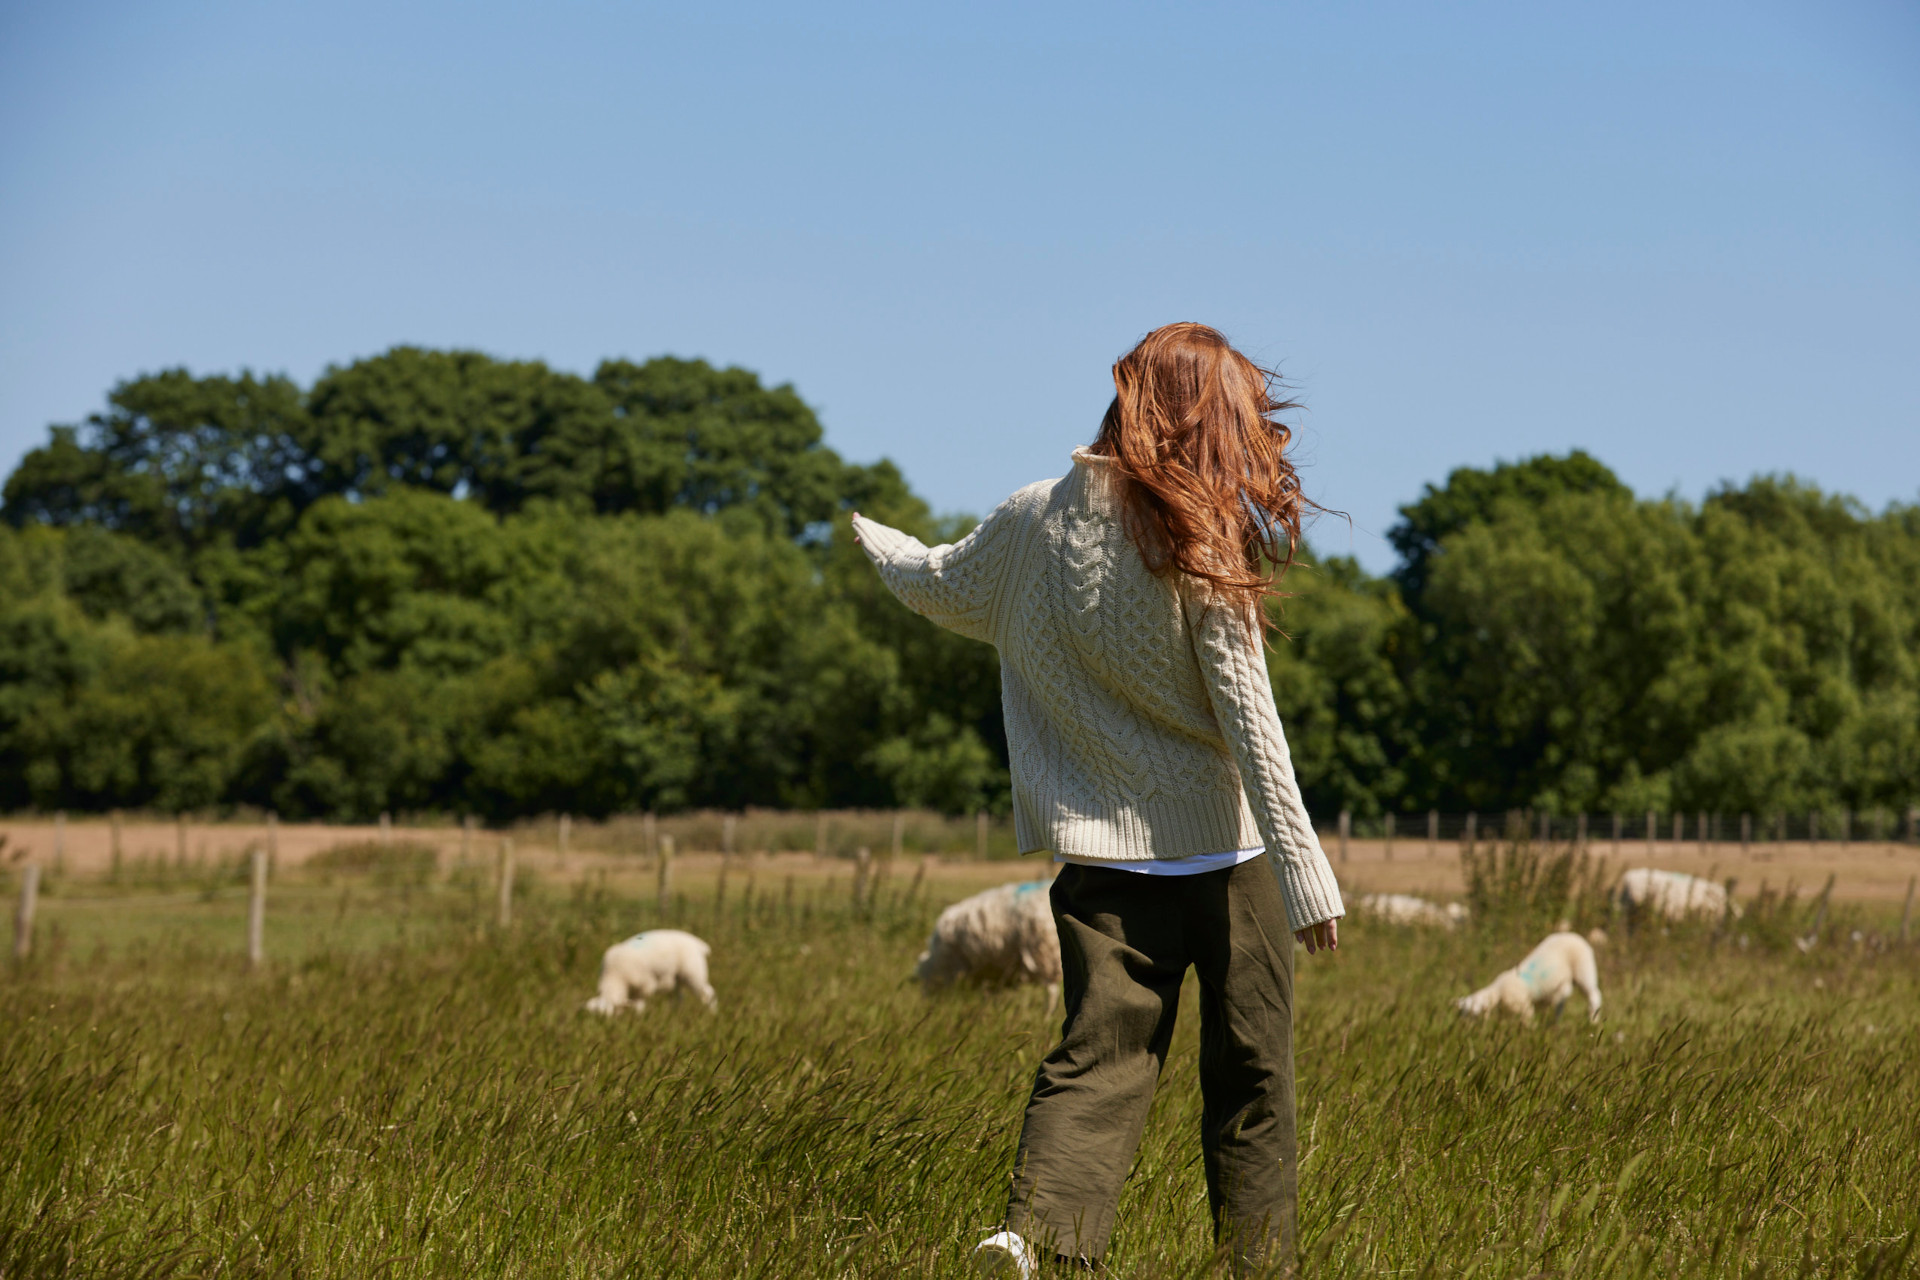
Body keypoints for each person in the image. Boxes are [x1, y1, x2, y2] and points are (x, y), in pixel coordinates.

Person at [851, 322, 1345, 1278]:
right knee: (1252, 1080)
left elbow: (940, 585)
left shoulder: (1032, 517)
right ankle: (1259, 1268)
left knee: (1096, 1061)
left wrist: (882, 543)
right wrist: (1307, 871)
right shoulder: (1195, 530)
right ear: (1202, 416)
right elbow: (1251, 715)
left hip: (1101, 864)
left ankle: (1034, 1244)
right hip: (1229, 862)